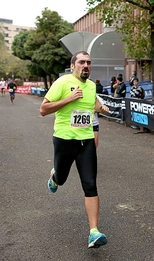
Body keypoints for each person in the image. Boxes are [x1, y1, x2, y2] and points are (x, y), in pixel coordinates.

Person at [39, 51, 109, 249]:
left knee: (90, 184)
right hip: (64, 140)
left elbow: (90, 103)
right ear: (73, 66)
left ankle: (94, 232)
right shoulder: (62, 83)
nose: (85, 65)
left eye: (88, 62)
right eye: (81, 62)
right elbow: (43, 110)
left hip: (85, 140)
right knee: (61, 179)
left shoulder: (92, 85)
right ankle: (54, 176)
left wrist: (100, 107)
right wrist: (68, 99)